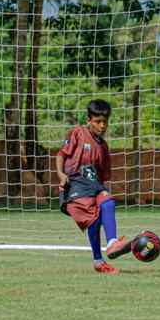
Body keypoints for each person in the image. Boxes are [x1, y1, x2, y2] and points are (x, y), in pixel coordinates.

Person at [57, 99, 130, 274]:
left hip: (93, 185)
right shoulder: (77, 133)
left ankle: (112, 243)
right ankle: (98, 261)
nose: (102, 126)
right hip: (73, 184)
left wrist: (101, 192)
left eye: (105, 122)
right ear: (89, 120)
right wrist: (60, 174)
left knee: (108, 202)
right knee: (94, 222)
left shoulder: (103, 147)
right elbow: (61, 154)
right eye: (98, 122)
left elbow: (103, 176)